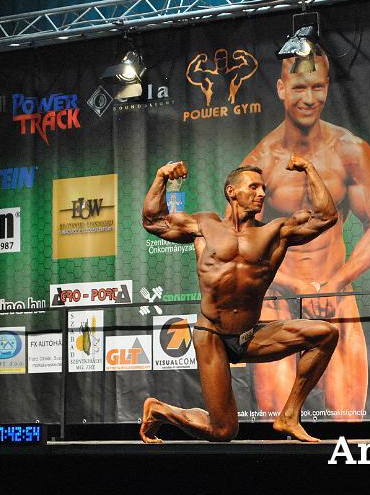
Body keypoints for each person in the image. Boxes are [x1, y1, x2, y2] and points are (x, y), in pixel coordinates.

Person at [140, 158, 339, 443]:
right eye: (253, 187)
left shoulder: (275, 232)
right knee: (223, 431)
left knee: (325, 333)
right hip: (212, 335)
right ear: (232, 192)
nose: (261, 194)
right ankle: (160, 410)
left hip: (249, 335)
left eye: (263, 188)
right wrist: (161, 176)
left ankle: (289, 416)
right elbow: (153, 221)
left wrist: (309, 169)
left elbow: (325, 217)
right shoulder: (204, 225)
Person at [240, 54, 370, 419]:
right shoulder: (261, 161)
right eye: (299, 88)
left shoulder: (350, 151)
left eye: (317, 87)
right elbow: (241, 245)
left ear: (327, 88)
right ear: (282, 89)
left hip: (334, 296)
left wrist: (336, 284)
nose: (309, 99)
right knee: (277, 422)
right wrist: (293, 285)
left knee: (348, 422)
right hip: (278, 298)